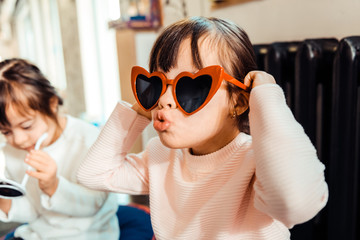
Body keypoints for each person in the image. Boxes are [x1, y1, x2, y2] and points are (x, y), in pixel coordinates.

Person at [77, 16, 328, 239]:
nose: (165, 99)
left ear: (239, 101)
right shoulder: (161, 156)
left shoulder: (256, 161)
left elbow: (296, 203)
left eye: (192, 86)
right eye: (157, 83)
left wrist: (267, 97)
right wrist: (139, 109)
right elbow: (93, 173)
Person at [0, 58, 119, 240]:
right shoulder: (9, 152)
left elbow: (93, 204)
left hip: (89, 235)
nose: (19, 140)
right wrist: (4, 196)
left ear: (52, 104)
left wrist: (53, 185)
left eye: (26, 126)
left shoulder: (86, 140)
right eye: (6, 132)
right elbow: (31, 212)